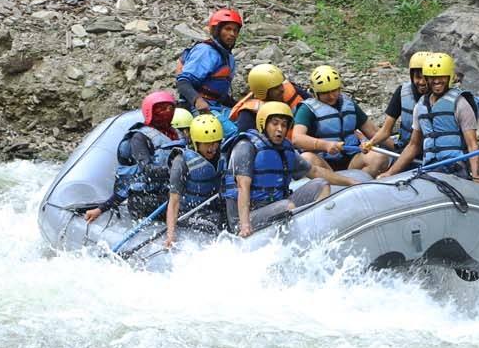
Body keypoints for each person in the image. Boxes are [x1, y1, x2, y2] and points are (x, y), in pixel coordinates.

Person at [227, 101, 362, 237]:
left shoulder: (285, 149)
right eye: (275, 123)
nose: (280, 129)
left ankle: (320, 234)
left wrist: (351, 182)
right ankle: (300, 238)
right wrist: (244, 226)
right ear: (264, 124)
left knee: (321, 185)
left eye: (284, 125)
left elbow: (314, 171)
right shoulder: (246, 146)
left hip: (278, 205)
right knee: (287, 207)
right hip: (246, 216)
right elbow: (242, 187)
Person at [380, 53, 479, 185]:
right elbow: (413, 146)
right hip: (429, 168)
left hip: (455, 167)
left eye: (441, 77)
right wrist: (390, 173)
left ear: (449, 77)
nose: (436, 81)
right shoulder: (420, 106)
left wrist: (476, 174)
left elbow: (472, 145)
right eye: (432, 77)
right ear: (427, 79)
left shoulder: (460, 103)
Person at [84, 91, 184, 223]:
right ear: (150, 112)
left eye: (170, 108)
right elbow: (146, 172)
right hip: (143, 198)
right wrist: (101, 209)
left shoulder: (178, 134)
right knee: (182, 205)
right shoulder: (139, 138)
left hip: (171, 193)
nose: (166, 112)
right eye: (161, 109)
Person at [291, 65, 390, 175]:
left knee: (378, 157)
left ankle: (357, 185)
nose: (332, 96)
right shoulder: (307, 109)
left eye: (334, 91)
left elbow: (373, 131)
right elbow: (297, 138)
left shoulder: (349, 104)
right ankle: (338, 185)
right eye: (325, 92)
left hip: (352, 161)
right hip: (323, 164)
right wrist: (325, 145)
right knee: (307, 158)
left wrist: (399, 148)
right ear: (316, 93)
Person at [164, 114, 232, 248]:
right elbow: (174, 201)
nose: (212, 148)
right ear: (196, 142)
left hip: (211, 208)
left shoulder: (223, 156)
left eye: (215, 142)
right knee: (217, 223)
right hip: (187, 213)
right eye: (206, 144)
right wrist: (170, 235)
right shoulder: (181, 161)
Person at [174, 8, 243, 138]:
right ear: (217, 31)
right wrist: (198, 101)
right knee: (235, 134)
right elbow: (182, 82)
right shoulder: (205, 51)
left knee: (248, 124)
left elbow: (219, 95)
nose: (232, 34)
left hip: (217, 106)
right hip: (199, 109)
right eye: (227, 29)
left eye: (235, 30)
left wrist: (240, 106)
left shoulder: (228, 57)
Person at [365, 51, 429, 163]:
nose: (422, 82)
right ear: (411, 76)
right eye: (418, 77)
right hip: (406, 150)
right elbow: (385, 130)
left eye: (426, 78)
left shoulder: (439, 97)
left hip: (431, 153)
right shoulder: (402, 92)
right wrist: (370, 143)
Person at [227, 63, 308, 134]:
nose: (282, 89)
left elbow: (314, 105)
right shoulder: (248, 113)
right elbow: (245, 141)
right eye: (276, 88)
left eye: (281, 84)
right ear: (263, 91)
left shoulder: (290, 89)